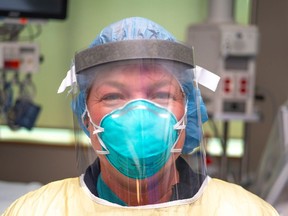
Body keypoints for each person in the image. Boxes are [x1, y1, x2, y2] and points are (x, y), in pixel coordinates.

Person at [2, 17, 278, 215]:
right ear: (87, 119)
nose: (141, 115)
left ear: (188, 114)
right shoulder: (35, 210)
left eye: (161, 95)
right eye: (113, 97)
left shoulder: (245, 211)